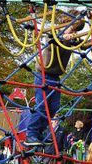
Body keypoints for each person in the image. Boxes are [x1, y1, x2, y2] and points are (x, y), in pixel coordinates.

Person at [24, 10, 85, 146]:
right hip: (43, 75)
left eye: (75, 29)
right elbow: (52, 43)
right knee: (42, 106)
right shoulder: (54, 32)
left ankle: (40, 133)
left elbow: (81, 43)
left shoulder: (70, 39)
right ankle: (31, 134)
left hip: (55, 77)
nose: (72, 30)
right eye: (72, 27)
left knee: (53, 108)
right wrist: (64, 37)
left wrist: (78, 39)